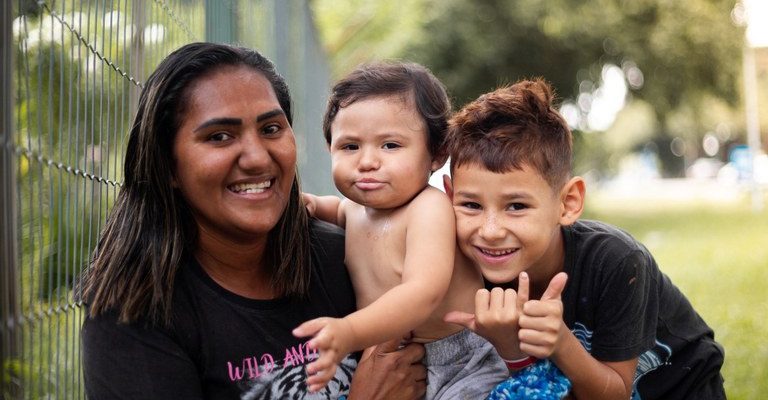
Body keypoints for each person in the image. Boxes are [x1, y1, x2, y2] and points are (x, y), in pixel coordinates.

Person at [80, 42, 427, 399]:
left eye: (271, 128)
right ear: (167, 166)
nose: (258, 158)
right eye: (220, 137)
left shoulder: (342, 256)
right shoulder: (133, 312)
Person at [441, 78, 726, 399]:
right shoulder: (464, 267)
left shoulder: (617, 261)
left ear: (568, 203)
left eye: (517, 206)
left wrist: (562, 343)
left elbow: (614, 394)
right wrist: (512, 349)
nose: (490, 231)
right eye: (471, 205)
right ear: (449, 196)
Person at [295, 61, 508, 398]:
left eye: (390, 145)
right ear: (329, 148)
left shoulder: (429, 208)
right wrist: (307, 203)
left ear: (437, 153)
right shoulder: (353, 209)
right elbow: (334, 208)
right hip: (392, 358)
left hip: (460, 363)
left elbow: (424, 291)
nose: (367, 161)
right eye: (350, 146)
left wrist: (349, 332)